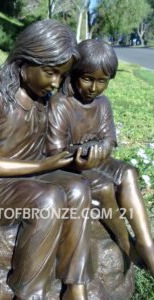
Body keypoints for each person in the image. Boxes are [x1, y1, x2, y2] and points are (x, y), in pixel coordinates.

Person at [0, 20, 93, 300]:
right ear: (25, 62)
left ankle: (75, 287)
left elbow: (46, 148)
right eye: (50, 73)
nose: (56, 82)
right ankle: (30, 293)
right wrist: (41, 167)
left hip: (31, 178)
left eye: (62, 74)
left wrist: (70, 156)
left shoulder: (42, 97)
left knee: (78, 187)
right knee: (48, 199)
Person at [47, 38, 154, 276]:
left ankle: (148, 246)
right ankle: (126, 242)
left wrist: (100, 148)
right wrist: (81, 155)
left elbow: (109, 139)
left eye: (102, 81)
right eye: (87, 79)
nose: (94, 88)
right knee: (105, 188)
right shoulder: (61, 104)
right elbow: (55, 151)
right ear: (74, 75)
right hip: (70, 167)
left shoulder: (102, 104)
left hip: (98, 160)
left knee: (127, 173)